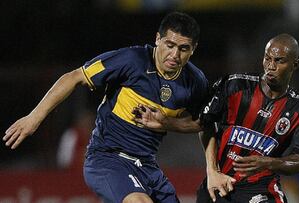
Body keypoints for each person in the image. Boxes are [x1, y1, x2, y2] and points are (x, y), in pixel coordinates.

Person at [3, 11, 208, 203]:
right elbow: (74, 77)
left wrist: (166, 122)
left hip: (147, 165)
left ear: (194, 49)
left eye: (183, 49)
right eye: (169, 45)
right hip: (107, 158)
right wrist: (34, 118)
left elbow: (203, 123)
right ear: (157, 39)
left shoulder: (195, 81)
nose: (174, 55)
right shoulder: (132, 60)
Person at [133, 33, 299, 203]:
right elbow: (202, 123)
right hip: (218, 184)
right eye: (267, 58)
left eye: (279, 61)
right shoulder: (235, 85)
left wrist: (268, 162)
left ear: (295, 64)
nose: (271, 66)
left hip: (259, 189)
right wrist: (164, 121)